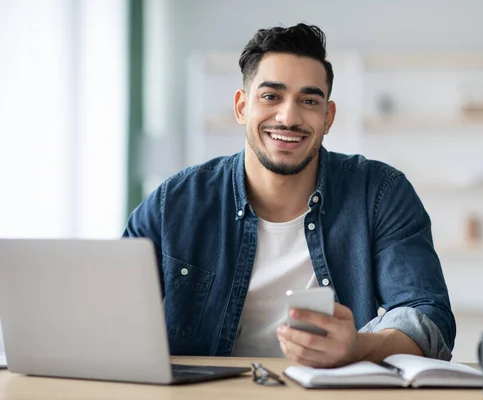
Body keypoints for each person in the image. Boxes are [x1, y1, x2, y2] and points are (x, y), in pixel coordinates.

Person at [123, 23, 455, 368]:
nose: (289, 117)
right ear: (241, 108)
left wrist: (358, 346)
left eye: (309, 101)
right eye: (271, 97)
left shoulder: (381, 192)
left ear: (328, 117)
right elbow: (113, 312)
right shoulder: (174, 202)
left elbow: (429, 316)